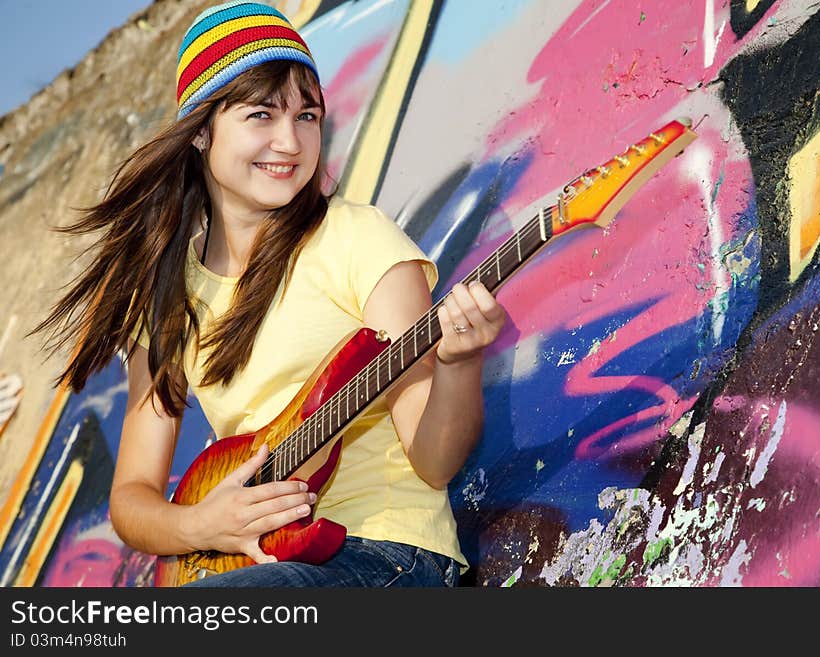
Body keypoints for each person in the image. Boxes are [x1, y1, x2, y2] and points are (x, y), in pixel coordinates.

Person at [31, 1, 505, 587]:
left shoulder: (359, 238)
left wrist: (458, 365)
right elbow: (131, 499)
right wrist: (206, 526)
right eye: (262, 115)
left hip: (387, 559)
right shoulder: (169, 301)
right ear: (202, 130)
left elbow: (434, 461)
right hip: (253, 570)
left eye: (307, 116)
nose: (290, 141)